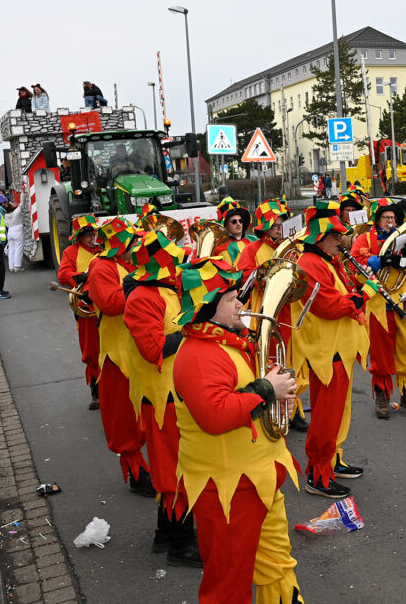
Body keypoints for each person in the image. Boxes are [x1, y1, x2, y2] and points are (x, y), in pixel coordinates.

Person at [172, 257, 304, 604]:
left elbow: (248, 399)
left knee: (277, 565)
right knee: (228, 584)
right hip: (227, 488)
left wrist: (279, 399)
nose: (242, 304)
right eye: (231, 299)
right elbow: (215, 416)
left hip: (259, 478)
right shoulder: (198, 354)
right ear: (208, 309)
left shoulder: (231, 342)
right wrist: (264, 389)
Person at [123, 230, 202, 567]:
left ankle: (164, 535)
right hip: (160, 397)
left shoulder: (163, 289)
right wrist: (189, 333)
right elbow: (153, 348)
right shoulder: (143, 297)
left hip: (173, 391)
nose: (178, 263)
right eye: (172, 259)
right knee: (174, 470)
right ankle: (181, 545)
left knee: (174, 464)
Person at [291, 203, 369, 500]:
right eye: (336, 236)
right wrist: (357, 301)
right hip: (327, 352)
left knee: (337, 413)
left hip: (338, 349)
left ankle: (331, 461)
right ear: (321, 236)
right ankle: (317, 473)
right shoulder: (311, 263)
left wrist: (355, 291)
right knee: (325, 416)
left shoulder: (326, 260)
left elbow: (340, 291)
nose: (341, 241)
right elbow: (328, 305)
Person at [88, 218, 153, 495]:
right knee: (125, 419)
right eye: (131, 243)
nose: (136, 247)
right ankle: (137, 472)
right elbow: (111, 303)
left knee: (147, 413)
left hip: (138, 351)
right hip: (117, 356)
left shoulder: (128, 264)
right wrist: (136, 284)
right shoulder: (101, 267)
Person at [350, 198, 406, 418]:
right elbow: (354, 266)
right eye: (386, 217)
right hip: (378, 302)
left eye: (393, 217)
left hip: (404, 299)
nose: (390, 221)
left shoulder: (405, 236)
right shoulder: (365, 239)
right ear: (377, 220)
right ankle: (382, 397)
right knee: (382, 353)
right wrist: (379, 261)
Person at [236, 198, 308, 433]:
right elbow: (245, 278)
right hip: (266, 314)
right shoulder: (252, 250)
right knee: (271, 364)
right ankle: (271, 409)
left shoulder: (296, 247)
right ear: (263, 227)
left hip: (291, 312)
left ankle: (293, 408)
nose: (279, 228)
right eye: (274, 225)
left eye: (281, 224)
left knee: (293, 364)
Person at [57, 215, 101, 410]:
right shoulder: (70, 252)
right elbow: (63, 275)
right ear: (79, 237)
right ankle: (96, 392)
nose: (92, 238)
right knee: (92, 351)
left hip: (106, 306)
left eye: (93, 234)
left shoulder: (103, 250)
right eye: (88, 235)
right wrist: (81, 276)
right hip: (86, 309)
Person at [214, 197, 256, 267]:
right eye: (234, 221)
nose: (238, 224)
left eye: (240, 221)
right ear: (226, 225)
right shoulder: (218, 246)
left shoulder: (254, 240)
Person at [4, 199, 23, 272]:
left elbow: (6, 224)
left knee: (11, 250)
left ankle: (11, 267)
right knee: (18, 248)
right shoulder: (16, 212)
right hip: (18, 230)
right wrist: (23, 194)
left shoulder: (6, 215)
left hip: (10, 232)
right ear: (12, 206)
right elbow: (22, 203)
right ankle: (17, 267)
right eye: (12, 203)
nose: (14, 203)